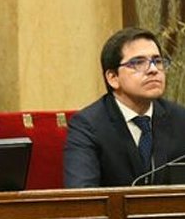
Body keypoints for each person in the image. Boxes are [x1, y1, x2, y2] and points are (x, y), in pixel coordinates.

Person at [64, 27, 185, 187]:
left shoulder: (180, 119)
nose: (153, 70)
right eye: (138, 63)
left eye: (157, 61)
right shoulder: (88, 126)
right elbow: (83, 197)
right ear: (113, 78)